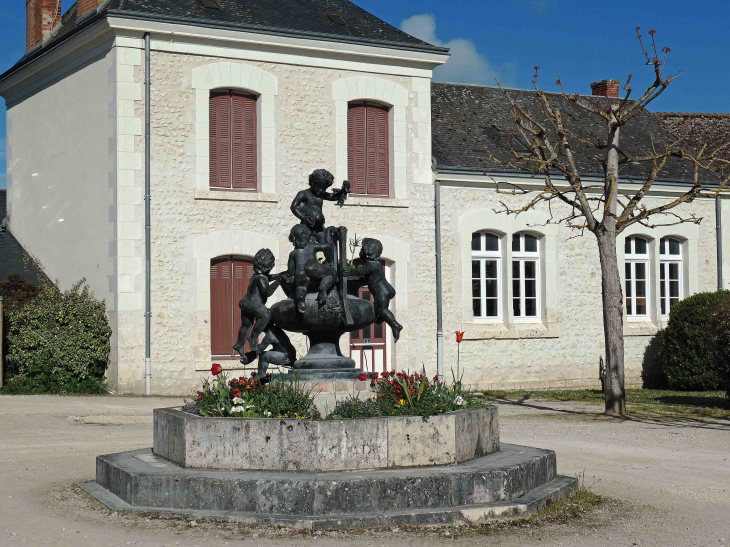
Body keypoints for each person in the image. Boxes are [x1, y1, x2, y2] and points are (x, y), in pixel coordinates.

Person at [346, 238, 403, 342]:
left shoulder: (372, 265)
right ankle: (380, 319)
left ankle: (395, 325)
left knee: (381, 309)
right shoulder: (376, 264)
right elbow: (366, 278)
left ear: (367, 253)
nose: (360, 252)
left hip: (382, 292)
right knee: (379, 310)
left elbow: (360, 271)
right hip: (385, 290)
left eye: (362, 250)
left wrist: (349, 270)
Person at [232, 248, 282, 356]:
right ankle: (253, 337)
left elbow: (268, 277)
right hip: (253, 304)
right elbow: (267, 292)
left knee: (246, 324)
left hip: (245, 303)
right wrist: (279, 281)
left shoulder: (257, 276)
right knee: (265, 315)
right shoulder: (261, 278)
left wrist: (278, 275)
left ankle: (239, 344)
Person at [290, 169, 350, 259]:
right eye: (320, 187)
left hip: (319, 228)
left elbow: (333, 197)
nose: (321, 190)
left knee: (327, 246)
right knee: (305, 248)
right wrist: (304, 217)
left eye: (324, 188)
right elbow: (294, 207)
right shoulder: (304, 194)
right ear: (313, 183)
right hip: (306, 226)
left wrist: (343, 191)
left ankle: (331, 265)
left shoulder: (321, 195)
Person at [285, 224, 337, 313]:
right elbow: (328, 245)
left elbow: (291, 271)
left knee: (301, 286)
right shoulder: (311, 246)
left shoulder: (293, 253)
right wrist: (327, 232)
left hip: (300, 272)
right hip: (312, 267)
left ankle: (301, 299)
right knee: (332, 271)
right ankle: (323, 288)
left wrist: (289, 274)